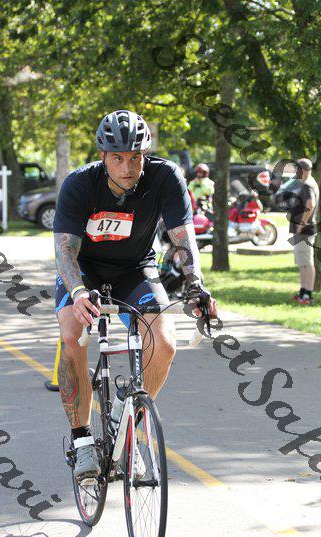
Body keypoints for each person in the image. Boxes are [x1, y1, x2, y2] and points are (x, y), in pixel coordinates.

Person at [53, 109, 217, 482]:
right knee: (71, 335)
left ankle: (124, 422)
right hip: (84, 271)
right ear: (103, 156)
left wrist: (195, 285)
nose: (127, 167)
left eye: (135, 157)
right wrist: (77, 292)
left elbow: (183, 237)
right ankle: (82, 440)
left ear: (146, 154)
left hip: (135, 270)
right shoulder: (79, 184)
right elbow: (65, 252)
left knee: (165, 343)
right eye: (117, 158)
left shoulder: (166, 177)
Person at [289, 158, 319, 306]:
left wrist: (302, 223)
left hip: (304, 230)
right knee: (302, 263)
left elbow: (310, 204)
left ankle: (308, 294)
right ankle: (303, 291)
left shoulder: (307, 185)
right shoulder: (309, 183)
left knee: (307, 262)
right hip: (304, 229)